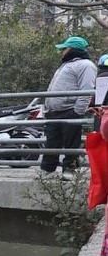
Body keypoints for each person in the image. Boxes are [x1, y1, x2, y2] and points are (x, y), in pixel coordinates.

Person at [42, 36, 97, 175]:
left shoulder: (86, 65)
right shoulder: (66, 64)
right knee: (51, 143)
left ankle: (70, 170)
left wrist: (77, 112)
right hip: (54, 111)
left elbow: (86, 91)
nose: (62, 51)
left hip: (69, 110)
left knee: (71, 142)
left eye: (64, 48)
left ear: (72, 49)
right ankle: (47, 170)